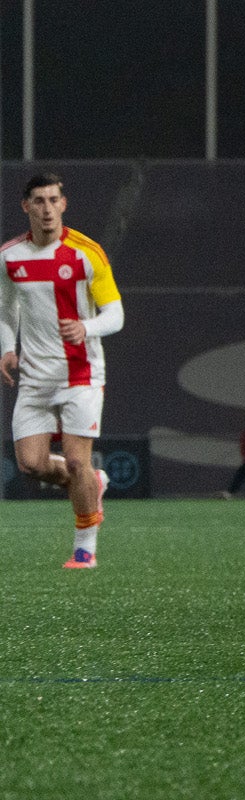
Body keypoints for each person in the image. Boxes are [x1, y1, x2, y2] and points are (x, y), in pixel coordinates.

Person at [0, 172, 120, 569]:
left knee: (74, 461)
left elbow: (115, 314)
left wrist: (87, 327)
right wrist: (7, 348)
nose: (47, 208)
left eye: (54, 200)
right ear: (26, 207)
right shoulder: (10, 256)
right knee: (31, 465)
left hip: (81, 375)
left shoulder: (87, 253)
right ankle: (93, 483)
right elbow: (6, 307)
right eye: (39, 201)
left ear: (63, 205)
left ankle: (85, 549)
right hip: (34, 378)